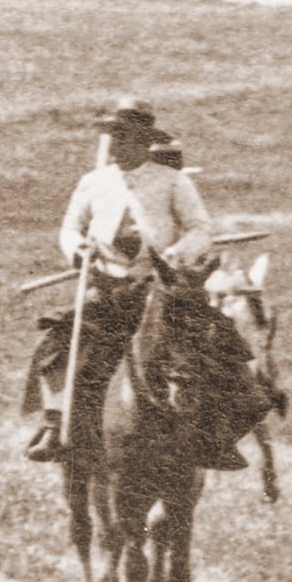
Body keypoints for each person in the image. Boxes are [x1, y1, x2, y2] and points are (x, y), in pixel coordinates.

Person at [31, 100, 219, 461]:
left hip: (157, 287)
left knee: (207, 342)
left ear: (145, 141)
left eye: (126, 138)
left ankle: (215, 431)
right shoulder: (93, 183)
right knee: (60, 340)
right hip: (105, 284)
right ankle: (57, 423)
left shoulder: (173, 182)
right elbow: (70, 227)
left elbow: (200, 228)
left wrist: (177, 254)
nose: (116, 146)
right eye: (113, 137)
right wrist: (77, 249)